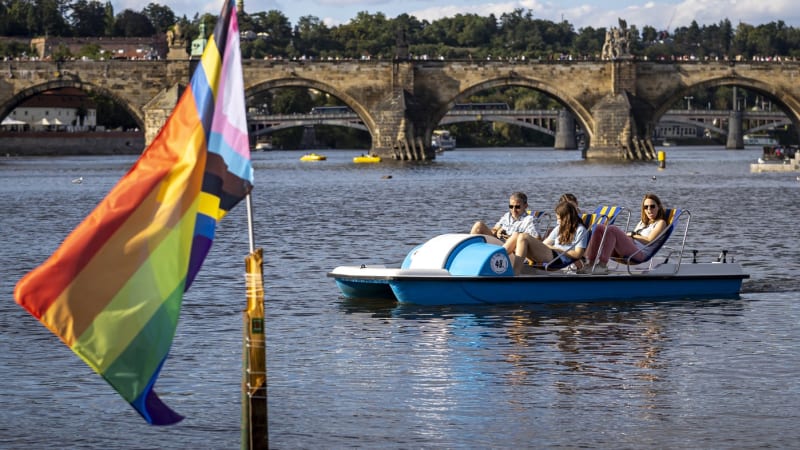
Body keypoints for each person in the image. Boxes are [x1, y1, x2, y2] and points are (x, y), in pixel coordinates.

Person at [580, 193, 667, 274]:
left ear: (658, 207)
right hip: (630, 248)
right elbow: (632, 236)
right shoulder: (642, 222)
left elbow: (649, 240)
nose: (649, 209)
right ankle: (590, 264)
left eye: (652, 206)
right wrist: (629, 236)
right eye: (646, 207)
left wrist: (631, 235)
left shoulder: (660, 223)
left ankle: (602, 265)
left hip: (640, 253)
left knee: (612, 229)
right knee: (599, 227)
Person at [508, 200, 588, 274]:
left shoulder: (580, 230)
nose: (558, 222)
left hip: (559, 259)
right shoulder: (559, 228)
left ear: (567, 218)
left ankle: (515, 273)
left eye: (559, 219)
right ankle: (499, 257)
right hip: (550, 253)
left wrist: (555, 248)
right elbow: (545, 243)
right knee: (517, 235)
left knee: (523, 236)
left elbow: (578, 254)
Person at [470, 191, 539, 242]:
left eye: (517, 207)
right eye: (511, 206)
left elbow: (537, 239)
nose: (513, 210)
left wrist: (511, 237)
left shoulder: (529, 220)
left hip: (513, 248)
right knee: (478, 225)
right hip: (498, 243)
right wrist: (497, 232)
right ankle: (467, 251)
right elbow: (494, 229)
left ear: (525, 206)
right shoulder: (507, 216)